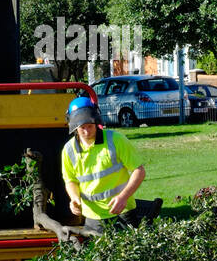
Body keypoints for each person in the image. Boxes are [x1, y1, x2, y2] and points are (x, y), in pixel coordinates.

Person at [60, 97, 161, 232]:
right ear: (74, 127)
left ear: (96, 121)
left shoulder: (116, 140)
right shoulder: (69, 150)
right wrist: (74, 199)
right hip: (93, 217)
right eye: (82, 128)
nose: (86, 131)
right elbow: (70, 180)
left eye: (90, 126)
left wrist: (123, 197)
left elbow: (139, 171)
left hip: (123, 212)